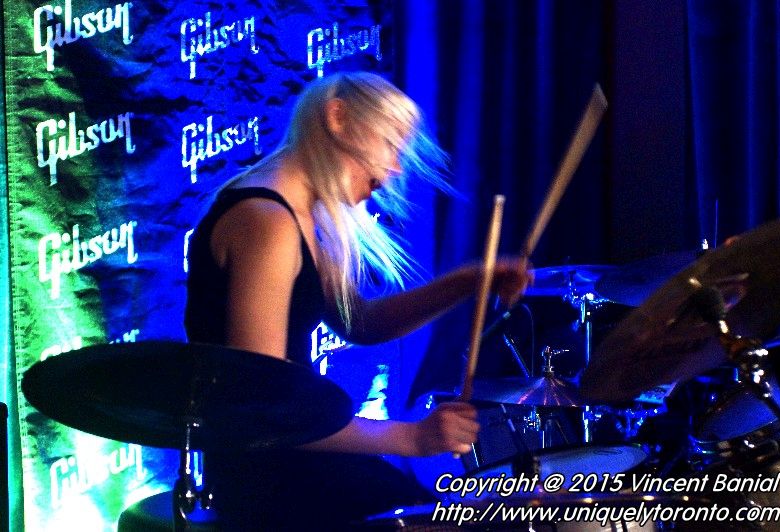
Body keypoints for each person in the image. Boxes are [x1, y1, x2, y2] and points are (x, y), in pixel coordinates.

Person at [184, 71, 531, 530]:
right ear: (338, 118)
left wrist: (469, 281)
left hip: (295, 452)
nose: (396, 168)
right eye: (391, 145)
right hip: (266, 475)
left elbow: (360, 322)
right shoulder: (267, 220)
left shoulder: (301, 215)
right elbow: (267, 405)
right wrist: (412, 437)